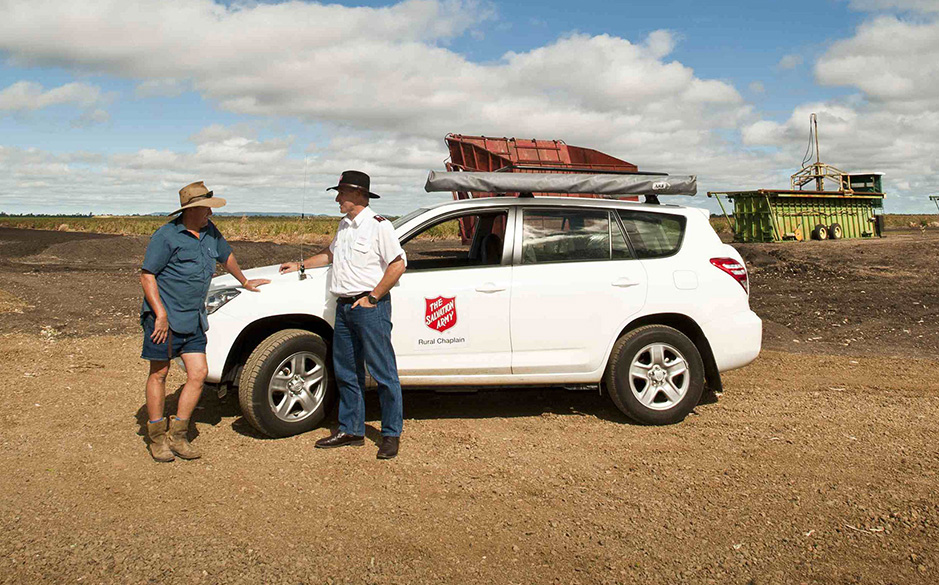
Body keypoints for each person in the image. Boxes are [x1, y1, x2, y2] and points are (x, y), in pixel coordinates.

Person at [279, 170, 406, 459]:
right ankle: (351, 429)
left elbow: (398, 264)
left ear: (358, 195)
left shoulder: (379, 226)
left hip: (369, 307)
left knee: (383, 372)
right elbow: (331, 254)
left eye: (341, 193)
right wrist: (300, 265)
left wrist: (373, 297)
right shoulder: (344, 225)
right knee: (347, 372)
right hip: (345, 307)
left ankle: (391, 434)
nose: (337, 199)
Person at [140, 181, 269, 462]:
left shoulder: (210, 232)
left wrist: (244, 281)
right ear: (191, 210)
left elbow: (226, 256)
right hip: (164, 319)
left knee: (198, 374)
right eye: (206, 208)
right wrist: (160, 314)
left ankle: (178, 435)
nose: (211, 213)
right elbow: (147, 275)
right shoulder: (166, 236)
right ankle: (157, 437)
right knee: (159, 373)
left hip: (194, 317)